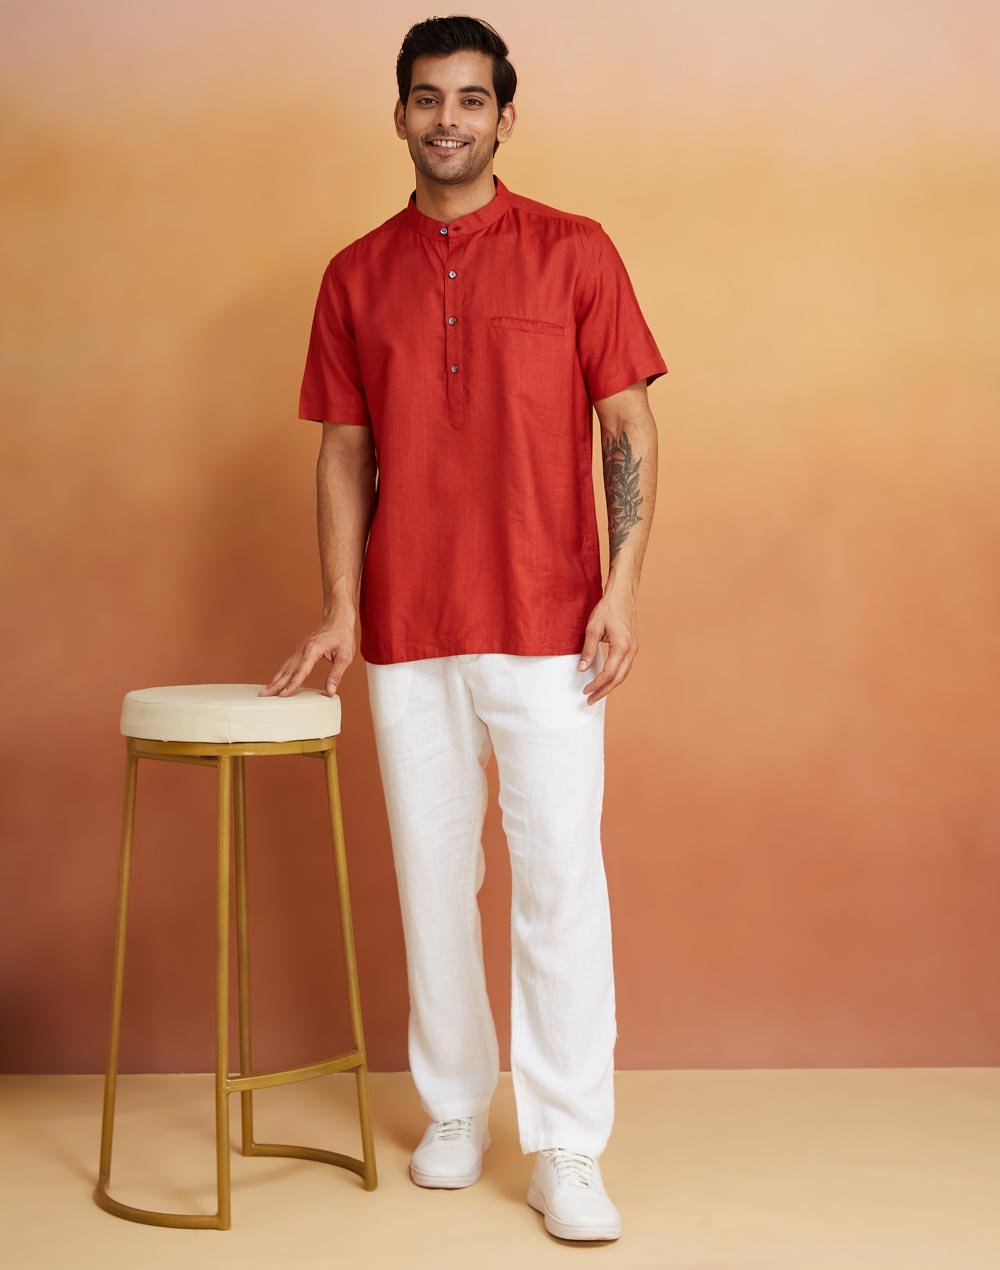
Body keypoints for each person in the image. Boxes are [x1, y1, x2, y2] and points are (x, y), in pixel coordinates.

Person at [260, 14, 668, 1244]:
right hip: (407, 621)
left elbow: (627, 428)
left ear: (504, 116)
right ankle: (451, 1107)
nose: (449, 118)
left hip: (550, 620)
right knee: (433, 875)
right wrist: (340, 606)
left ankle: (565, 1144)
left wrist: (621, 586)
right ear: (399, 114)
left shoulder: (576, 251)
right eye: (428, 97)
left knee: (559, 881)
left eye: (472, 98)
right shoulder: (353, 275)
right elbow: (343, 453)